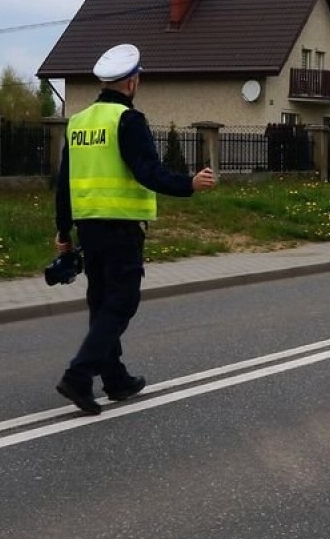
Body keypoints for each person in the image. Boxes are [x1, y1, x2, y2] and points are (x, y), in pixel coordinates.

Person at [54, 43, 217, 413]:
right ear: (130, 83)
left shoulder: (78, 124)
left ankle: (115, 379)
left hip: (88, 229)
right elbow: (148, 171)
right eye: (138, 78)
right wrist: (188, 185)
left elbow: (63, 184)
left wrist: (63, 233)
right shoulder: (128, 121)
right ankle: (79, 376)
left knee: (101, 302)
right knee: (122, 302)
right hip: (122, 228)